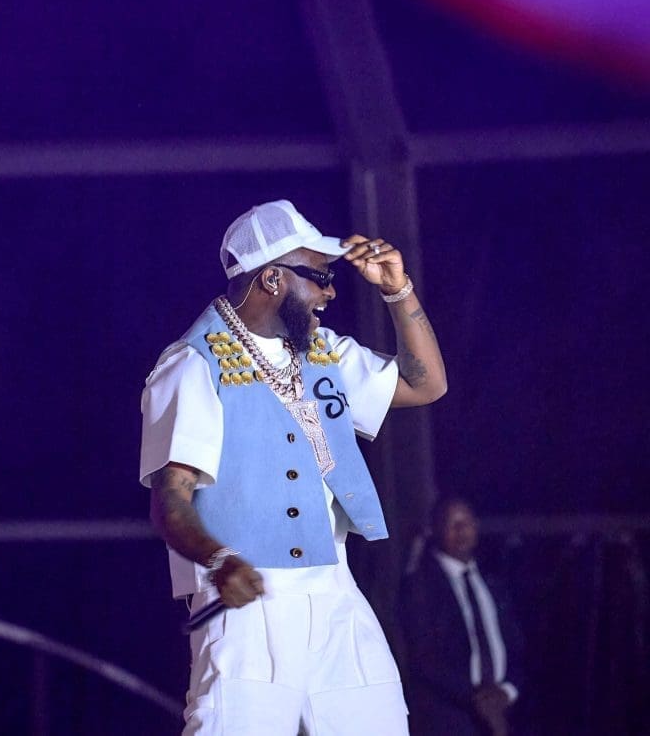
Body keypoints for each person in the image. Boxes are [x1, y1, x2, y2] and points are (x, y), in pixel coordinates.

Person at [140, 198, 447, 735]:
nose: (330, 292)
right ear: (272, 279)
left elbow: (425, 385)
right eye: (319, 278)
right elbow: (170, 499)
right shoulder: (191, 365)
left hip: (335, 588)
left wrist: (398, 289)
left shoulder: (320, 352)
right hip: (249, 598)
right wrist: (219, 561)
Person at [401, 497, 523, 736]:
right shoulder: (420, 587)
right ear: (435, 529)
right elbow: (422, 657)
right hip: (450, 719)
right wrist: (476, 698)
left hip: (501, 716)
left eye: (466, 523)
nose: (461, 531)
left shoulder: (492, 584)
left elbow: (517, 646)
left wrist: (506, 691)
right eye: (451, 524)